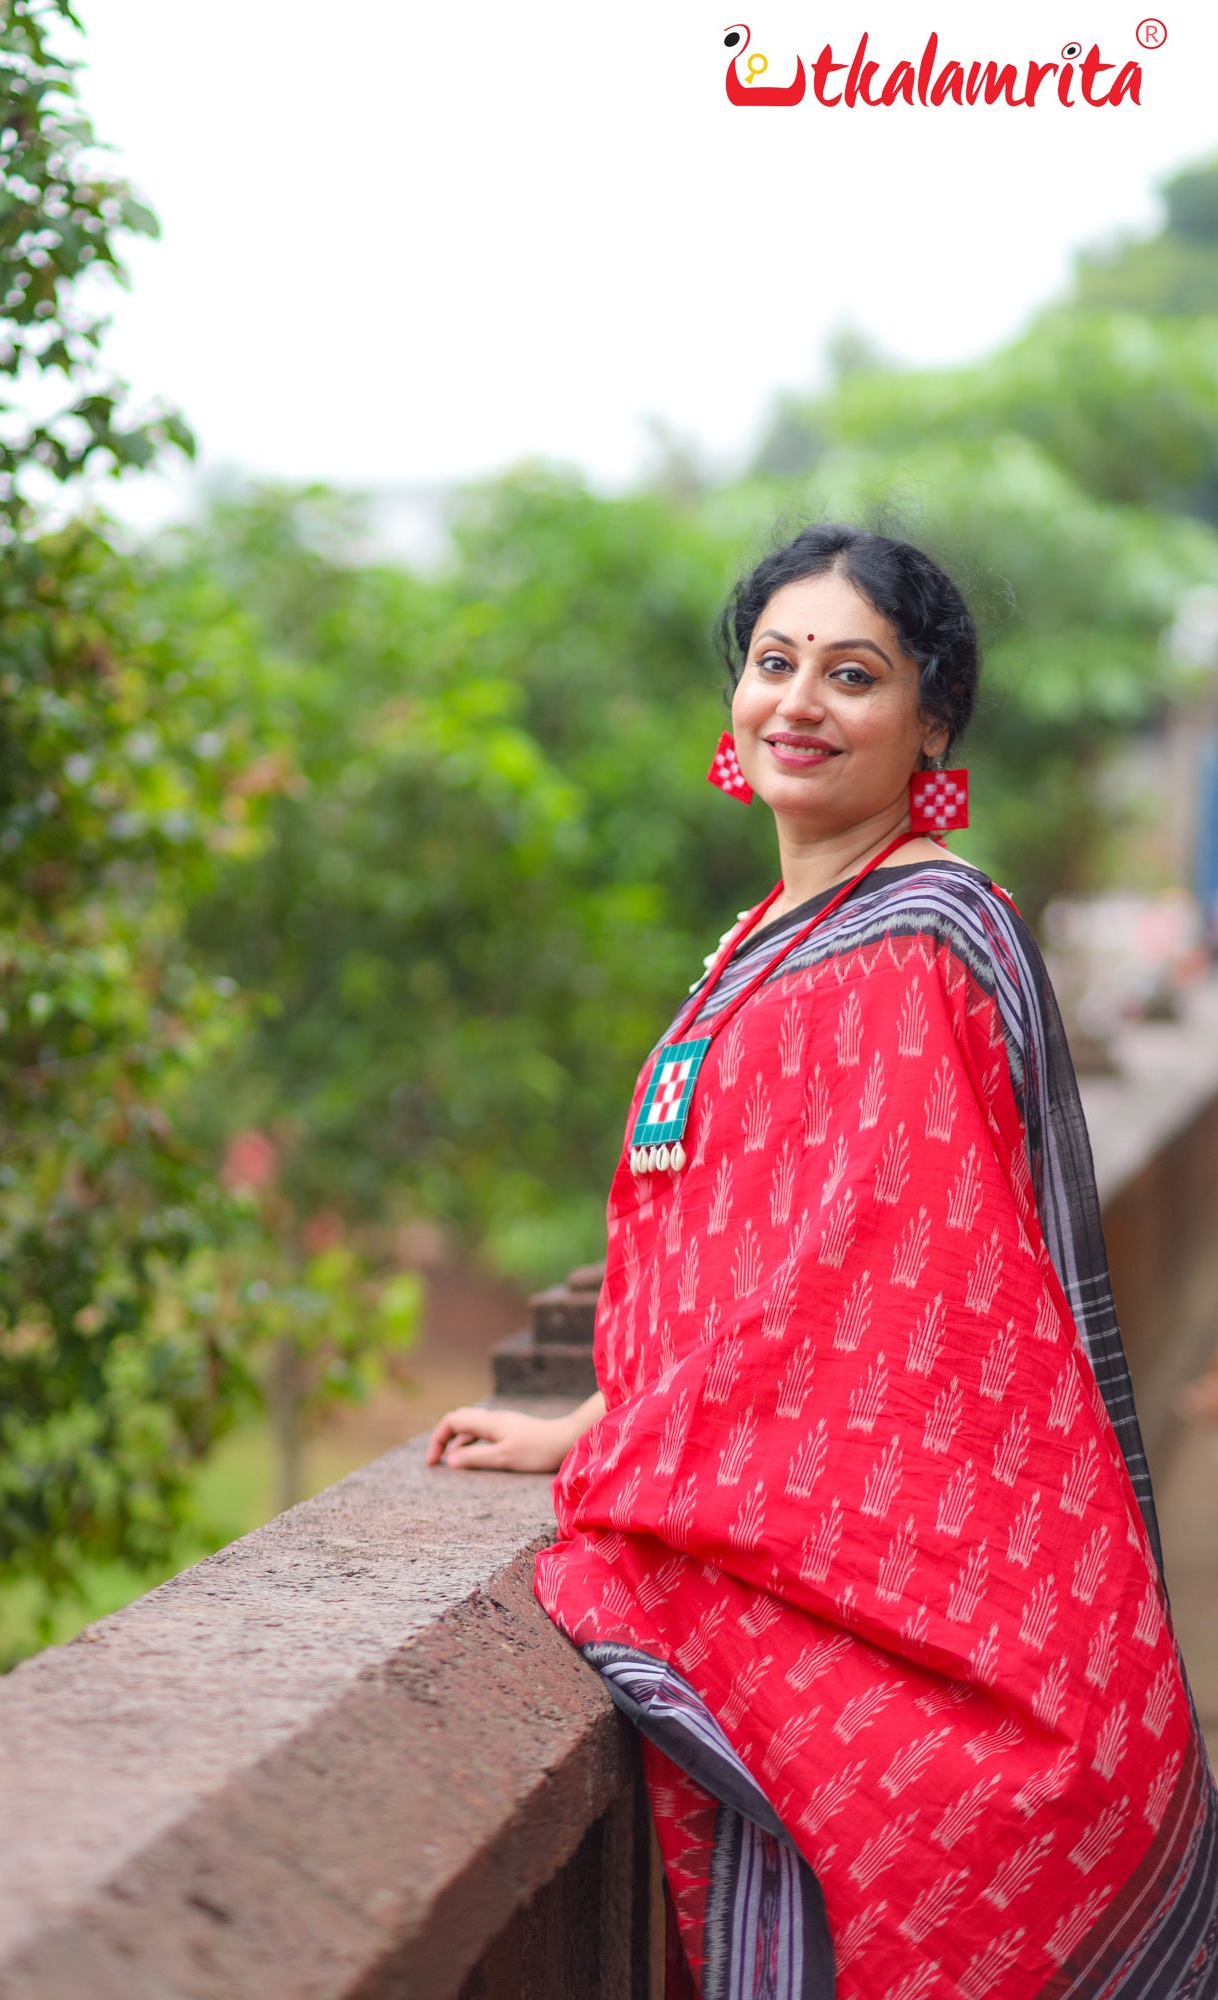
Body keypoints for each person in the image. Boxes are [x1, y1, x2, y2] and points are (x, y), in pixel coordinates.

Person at [427, 524, 1218, 1999]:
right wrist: (592, 1421)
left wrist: (639, 1457)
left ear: (929, 722)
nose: (796, 702)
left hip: (967, 1621)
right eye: (771, 663)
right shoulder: (781, 933)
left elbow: (863, 1300)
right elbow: (755, 1266)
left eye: (850, 675)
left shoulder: (914, 942)